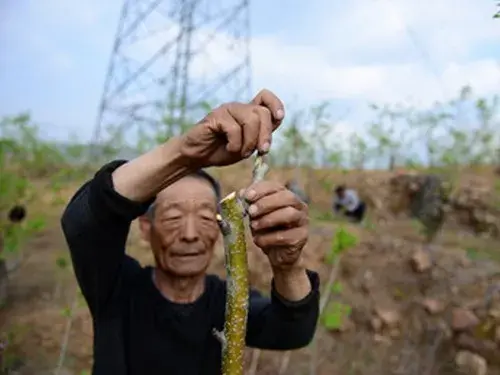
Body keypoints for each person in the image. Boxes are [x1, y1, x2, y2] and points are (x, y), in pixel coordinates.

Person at [61, 90, 320, 375]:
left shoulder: (227, 304)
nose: (190, 234)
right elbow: (84, 222)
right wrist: (183, 154)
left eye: (206, 217)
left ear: (220, 226)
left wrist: (288, 266)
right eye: (173, 217)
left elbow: (294, 331)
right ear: (147, 228)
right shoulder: (117, 290)